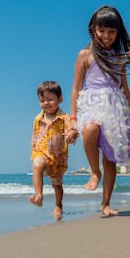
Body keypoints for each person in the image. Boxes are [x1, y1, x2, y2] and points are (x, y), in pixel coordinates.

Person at [65, 5, 130, 217]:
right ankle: (95, 172)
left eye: (112, 32)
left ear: (118, 32)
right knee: (89, 129)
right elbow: (76, 87)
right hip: (91, 104)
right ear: (93, 29)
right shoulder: (85, 55)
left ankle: (105, 204)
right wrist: (73, 118)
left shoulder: (119, 59)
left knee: (110, 159)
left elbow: (126, 92)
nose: (106, 36)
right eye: (102, 30)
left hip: (115, 109)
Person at [30, 81, 76, 221]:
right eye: (42, 100)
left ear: (60, 99)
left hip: (58, 159)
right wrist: (33, 150)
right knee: (37, 165)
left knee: (57, 185)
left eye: (50, 99)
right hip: (41, 153)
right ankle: (39, 195)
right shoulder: (38, 118)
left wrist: (71, 135)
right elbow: (35, 135)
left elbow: (72, 131)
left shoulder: (64, 118)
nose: (46, 103)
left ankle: (58, 205)